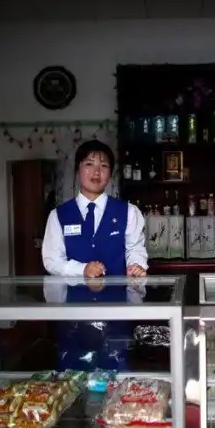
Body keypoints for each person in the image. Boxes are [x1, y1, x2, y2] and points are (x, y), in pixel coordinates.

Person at [41, 139, 148, 371]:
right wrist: (82, 269)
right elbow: (51, 260)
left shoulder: (128, 212)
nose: (96, 172)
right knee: (73, 379)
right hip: (73, 317)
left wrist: (136, 265)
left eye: (104, 166)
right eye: (89, 164)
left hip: (116, 315)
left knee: (117, 378)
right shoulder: (58, 216)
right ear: (78, 169)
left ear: (111, 173)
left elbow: (135, 248)